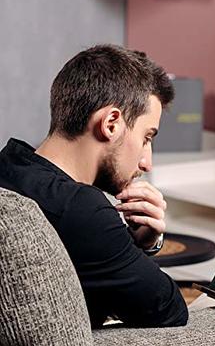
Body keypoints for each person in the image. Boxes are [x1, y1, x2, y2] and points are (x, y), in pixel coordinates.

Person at [0, 44, 188, 328]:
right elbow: (169, 309)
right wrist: (148, 247)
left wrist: (139, 241)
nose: (147, 162)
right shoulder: (81, 210)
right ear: (111, 123)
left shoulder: (9, 165)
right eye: (147, 138)